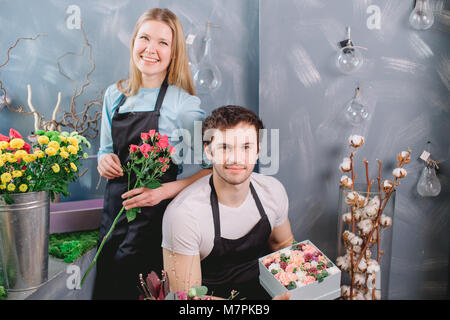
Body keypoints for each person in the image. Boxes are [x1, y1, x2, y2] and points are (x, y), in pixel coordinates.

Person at [94, 8, 211, 300]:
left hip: (156, 224)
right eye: (144, 38)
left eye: (163, 42)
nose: (151, 49)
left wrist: (163, 191)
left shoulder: (182, 103)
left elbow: (213, 169)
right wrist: (103, 161)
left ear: (174, 53)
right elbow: (106, 150)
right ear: (134, 42)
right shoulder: (114, 94)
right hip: (114, 219)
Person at [161, 105, 294, 300]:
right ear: (208, 151)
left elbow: (283, 244)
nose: (236, 158)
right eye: (224, 147)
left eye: (246, 147)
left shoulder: (272, 191)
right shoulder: (183, 215)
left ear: (258, 150)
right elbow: (187, 299)